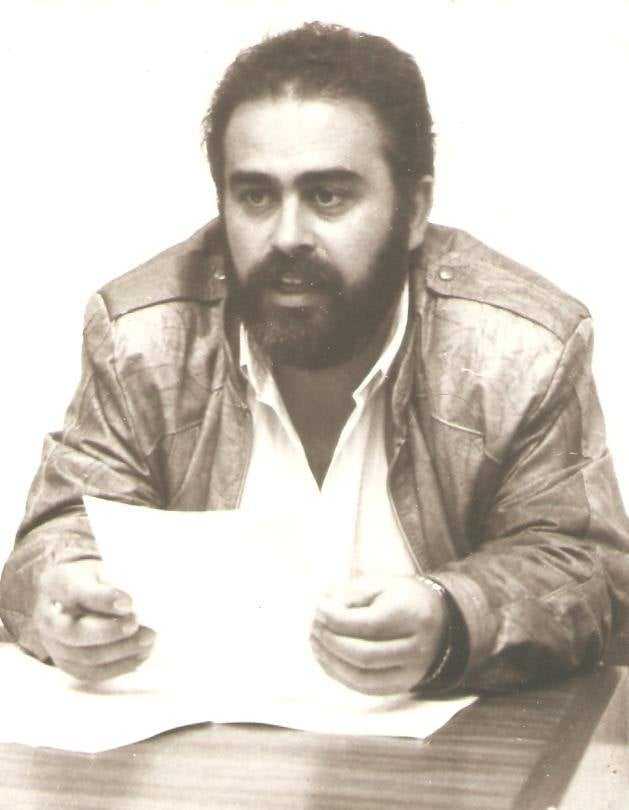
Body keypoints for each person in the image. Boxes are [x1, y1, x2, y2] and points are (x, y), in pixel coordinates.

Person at [2, 22, 628, 694]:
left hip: (436, 754)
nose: (287, 236)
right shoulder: (143, 338)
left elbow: (588, 571)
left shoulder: (518, 348)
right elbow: (53, 541)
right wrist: (67, 598)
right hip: (204, 749)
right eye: (255, 196)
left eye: (328, 196)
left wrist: (451, 620)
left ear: (414, 209)